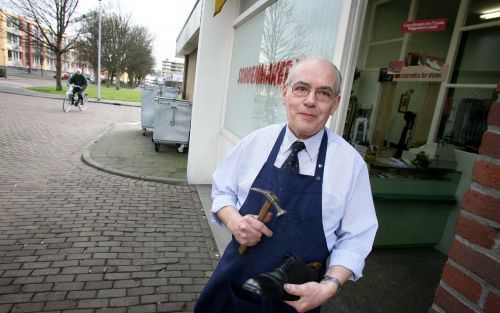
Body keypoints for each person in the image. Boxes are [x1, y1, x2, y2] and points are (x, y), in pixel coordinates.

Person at [195, 56, 378, 313]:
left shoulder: (350, 165)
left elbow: (356, 238)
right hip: (233, 287)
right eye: (301, 88)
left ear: (335, 104)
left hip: (295, 302)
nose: (310, 100)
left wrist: (329, 286)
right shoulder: (255, 143)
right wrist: (234, 222)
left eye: (323, 93)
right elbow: (222, 192)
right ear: (284, 93)